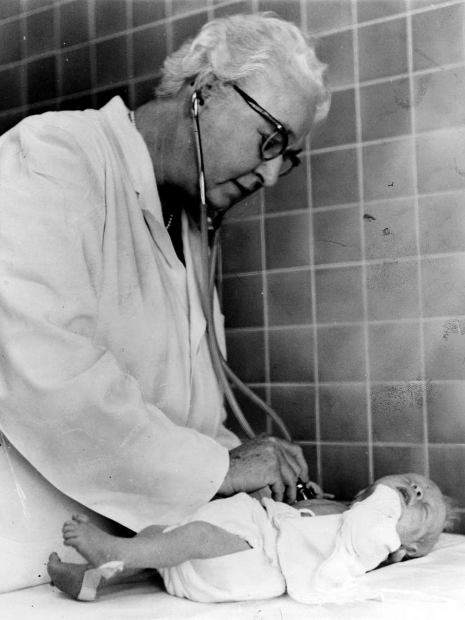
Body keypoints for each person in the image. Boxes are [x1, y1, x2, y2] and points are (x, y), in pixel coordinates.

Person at [0, 13, 330, 592]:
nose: (274, 174)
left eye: (290, 155)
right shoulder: (53, 154)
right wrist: (222, 469)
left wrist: (255, 475)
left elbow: (184, 414)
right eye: (271, 139)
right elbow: (42, 369)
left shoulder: (192, 223)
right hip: (25, 541)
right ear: (205, 92)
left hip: (134, 552)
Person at [47, 473, 456, 605]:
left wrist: (387, 532)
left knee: (196, 537)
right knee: (162, 539)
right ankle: (92, 577)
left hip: (264, 563)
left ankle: (113, 550)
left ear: (410, 550)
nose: (416, 492)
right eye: (411, 482)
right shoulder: (347, 507)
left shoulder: (378, 543)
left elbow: (361, 540)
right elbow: (306, 516)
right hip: (256, 533)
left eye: (425, 507)